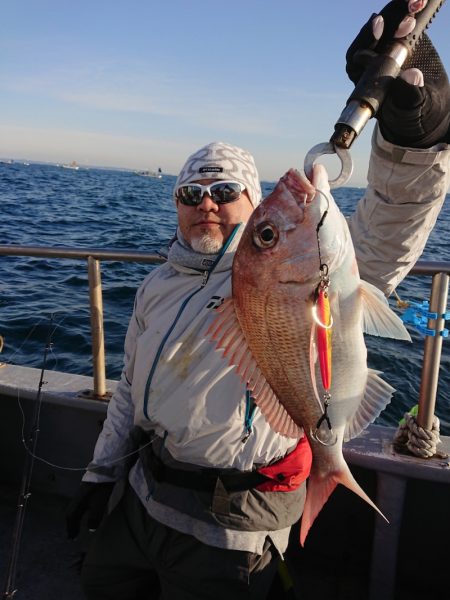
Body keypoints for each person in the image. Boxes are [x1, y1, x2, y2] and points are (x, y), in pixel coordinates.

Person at [66, 2, 450, 598]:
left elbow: (383, 238)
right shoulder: (158, 284)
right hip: (141, 494)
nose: (206, 202)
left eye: (226, 190)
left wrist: (412, 138)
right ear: (176, 204)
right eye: (191, 191)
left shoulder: (274, 271)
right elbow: (126, 394)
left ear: (251, 205)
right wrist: (100, 473)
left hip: (233, 521)